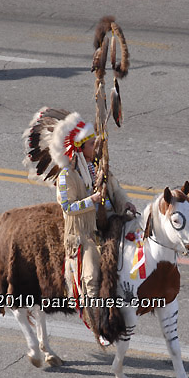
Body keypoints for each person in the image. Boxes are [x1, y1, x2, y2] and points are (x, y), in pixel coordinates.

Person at [53, 112, 136, 300]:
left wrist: (125, 203)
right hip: (85, 231)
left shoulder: (100, 166)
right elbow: (67, 207)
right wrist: (91, 201)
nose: (96, 146)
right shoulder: (67, 176)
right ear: (80, 148)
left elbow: (116, 189)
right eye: (92, 144)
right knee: (91, 274)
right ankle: (94, 311)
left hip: (110, 218)